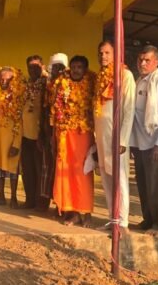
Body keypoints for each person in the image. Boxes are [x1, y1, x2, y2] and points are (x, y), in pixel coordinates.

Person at [130, 46, 158, 234]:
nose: (142, 63)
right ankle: (148, 220)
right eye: (140, 59)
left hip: (156, 144)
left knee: (157, 186)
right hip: (140, 143)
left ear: (156, 62)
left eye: (147, 60)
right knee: (144, 184)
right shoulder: (139, 81)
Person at [93, 41, 135, 231]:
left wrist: (123, 139)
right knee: (106, 178)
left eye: (107, 53)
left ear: (116, 54)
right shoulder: (100, 77)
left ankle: (123, 221)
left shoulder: (125, 75)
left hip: (116, 137)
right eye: (101, 53)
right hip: (101, 136)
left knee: (120, 178)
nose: (103, 56)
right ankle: (113, 218)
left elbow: (129, 109)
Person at [51, 55, 96, 227]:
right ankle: (73, 212)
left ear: (85, 69)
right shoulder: (62, 84)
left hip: (83, 133)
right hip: (65, 134)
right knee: (67, 173)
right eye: (74, 67)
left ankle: (87, 212)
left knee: (83, 172)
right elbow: (56, 111)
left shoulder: (92, 84)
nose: (76, 70)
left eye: (80, 67)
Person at [0, 67, 25, 208]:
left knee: (12, 169)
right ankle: (1, 196)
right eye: (1, 79)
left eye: (7, 79)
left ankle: (13, 198)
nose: (4, 82)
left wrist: (16, 143)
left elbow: (20, 121)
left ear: (12, 80)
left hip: (11, 138)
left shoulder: (17, 96)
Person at [38, 54, 68, 212]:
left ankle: (60, 205)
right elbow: (44, 109)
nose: (58, 70)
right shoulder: (48, 85)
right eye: (55, 67)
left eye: (61, 67)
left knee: (60, 168)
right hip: (48, 131)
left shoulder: (69, 85)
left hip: (63, 133)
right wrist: (43, 132)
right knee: (47, 167)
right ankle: (44, 202)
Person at [20, 55, 45, 209]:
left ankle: (40, 203)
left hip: (39, 135)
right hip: (25, 134)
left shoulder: (46, 84)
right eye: (30, 67)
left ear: (42, 67)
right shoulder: (25, 85)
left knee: (40, 169)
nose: (33, 70)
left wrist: (43, 134)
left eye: (37, 67)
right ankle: (29, 200)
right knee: (27, 170)